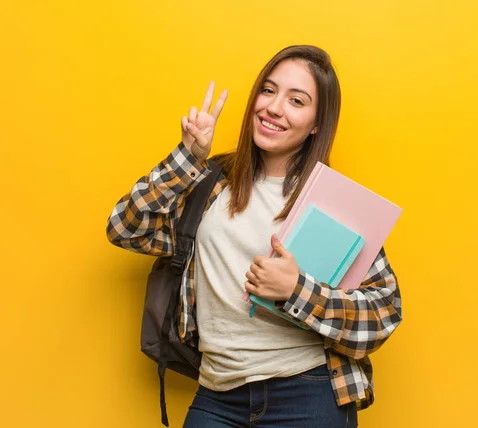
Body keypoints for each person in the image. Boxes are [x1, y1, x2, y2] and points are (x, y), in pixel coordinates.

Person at [106, 45, 402, 428]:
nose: (274, 108)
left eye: (296, 100)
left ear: (316, 123)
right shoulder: (210, 183)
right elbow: (126, 228)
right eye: (268, 90)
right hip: (216, 393)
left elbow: (384, 311)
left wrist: (297, 289)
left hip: (307, 394)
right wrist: (188, 157)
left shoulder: (333, 202)